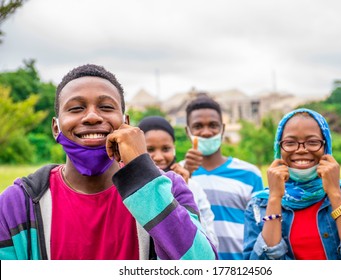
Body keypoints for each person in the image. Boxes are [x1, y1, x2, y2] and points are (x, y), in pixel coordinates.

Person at [0, 64, 217, 260]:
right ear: (56, 127)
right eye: (76, 108)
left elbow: (204, 266)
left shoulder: (170, 189)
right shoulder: (18, 203)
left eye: (106, 107)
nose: (92, 117)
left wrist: (142, 172)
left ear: (127, 123)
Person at [243, 108, 341, 260]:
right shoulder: (258, 206)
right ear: (279, 147)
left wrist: (335, 193)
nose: (301, 150)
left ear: (326, 147)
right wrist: (274, 198)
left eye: (312, 142)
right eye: (290, 143)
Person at [182, 95, 264, 260]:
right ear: (188, 131)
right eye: (198, 126)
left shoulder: (250, 174)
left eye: (213, 125)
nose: (206, 132)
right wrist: (186, 177)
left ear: (223, 129)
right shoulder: (176, 175)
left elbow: (261, 228)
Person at [138, 115, 219, 248]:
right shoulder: (131, 190)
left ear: (174, 148)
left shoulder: (192, 187)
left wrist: (183, 194)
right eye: (150, 150)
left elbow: (211, 244)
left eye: (166, 149)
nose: (158, 157)